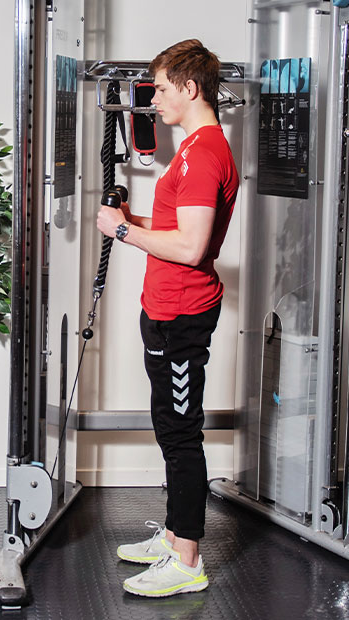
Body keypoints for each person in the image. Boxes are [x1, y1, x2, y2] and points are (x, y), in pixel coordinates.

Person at [96, 39, 239, 597]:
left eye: (159, 89)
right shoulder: (192, 148)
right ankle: (176, 535)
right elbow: (178, 227)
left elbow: (192, 247)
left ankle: (188, 562)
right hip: (164, 308)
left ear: (190, 87)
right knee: (168, 426)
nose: (152, 100)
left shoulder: (203, 154)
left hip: (183, 312)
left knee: (181, 434)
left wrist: (121, 232)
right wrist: (133, 219)